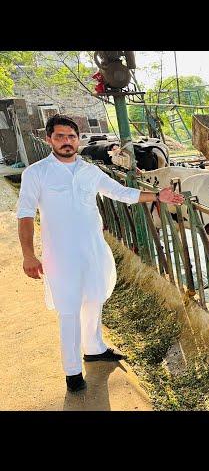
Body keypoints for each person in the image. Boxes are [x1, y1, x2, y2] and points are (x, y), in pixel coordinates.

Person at [16, 114, 185, 393]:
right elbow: (24, 215)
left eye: (71, 137)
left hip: (92, 249)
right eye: (59, 136)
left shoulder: (89, 171)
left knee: (95, 297)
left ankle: (94, 348)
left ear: (78, 139)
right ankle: (72, 373)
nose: (66, 142)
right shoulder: (36, 173)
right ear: (49, 139)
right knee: (69, 311)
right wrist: (28, 255)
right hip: (61, 255)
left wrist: (157, 196)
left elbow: (120, 192)